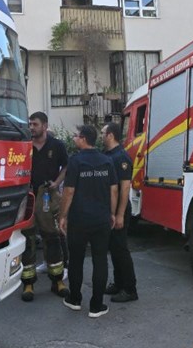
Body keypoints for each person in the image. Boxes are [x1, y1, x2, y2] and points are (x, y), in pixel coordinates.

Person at [58, 124, 117, 318]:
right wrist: (113, 213)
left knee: (76, 260)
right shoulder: (106, 161)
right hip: (101, 219)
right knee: (100, 260)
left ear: (83, 139)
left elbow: (69, 191)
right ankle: (97, 305)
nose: (74, 138)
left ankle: (74, 299)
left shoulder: (75, 161)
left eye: (76, 136)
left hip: (79, 220)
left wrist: (63, 215)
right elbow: (113, 190)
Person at [20, 112, 68, 302]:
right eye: (30, 124)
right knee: (27, 240)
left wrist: (57, 183)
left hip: (48, 195)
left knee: (52, 237)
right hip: (28, 196)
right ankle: (28, 283)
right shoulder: (24, 146)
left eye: (35, 124)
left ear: (45, 126)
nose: (31, 127)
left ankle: (57, 281)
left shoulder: (57, 146)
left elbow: (66, 166)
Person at [101, 121, 138, 303]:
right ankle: (118, 283)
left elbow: (124, 189)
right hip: (110, 210)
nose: (101, 136)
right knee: (114, 249)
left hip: (119, 210)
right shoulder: (108, 155)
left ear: (110, 135)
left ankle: (130, 289)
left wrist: (121, 214)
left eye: (102, 133)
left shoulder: (121, 157)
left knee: (121, 250)